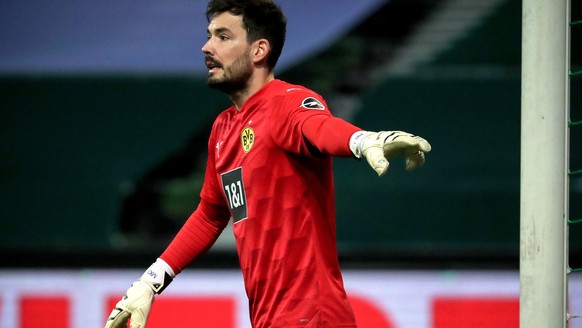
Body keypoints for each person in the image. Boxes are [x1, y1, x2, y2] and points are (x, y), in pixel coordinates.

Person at [105, 0, 431, 327]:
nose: (207, 47)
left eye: (223, 37)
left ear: (259, 50)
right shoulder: (223, 129)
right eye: (209, 36)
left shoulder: (286, 103)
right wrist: (151, 281)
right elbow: (209, 215)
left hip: (311, 316)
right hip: (270, 318)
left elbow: (319, 128)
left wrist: (363, 141)